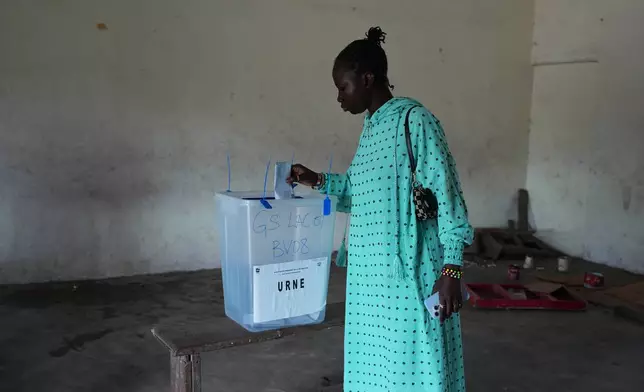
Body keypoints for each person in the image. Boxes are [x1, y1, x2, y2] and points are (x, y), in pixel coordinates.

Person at [287, 27, 473, 392]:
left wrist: (451, 268)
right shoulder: (371, 129)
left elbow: (448, 196)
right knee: (376, 367)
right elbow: (359, 192)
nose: (339, 97)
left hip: (410, 274)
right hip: (370, 282)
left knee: (419, 364)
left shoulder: (414, 121)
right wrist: (316, 179)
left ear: (367, 79)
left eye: (343, 87)